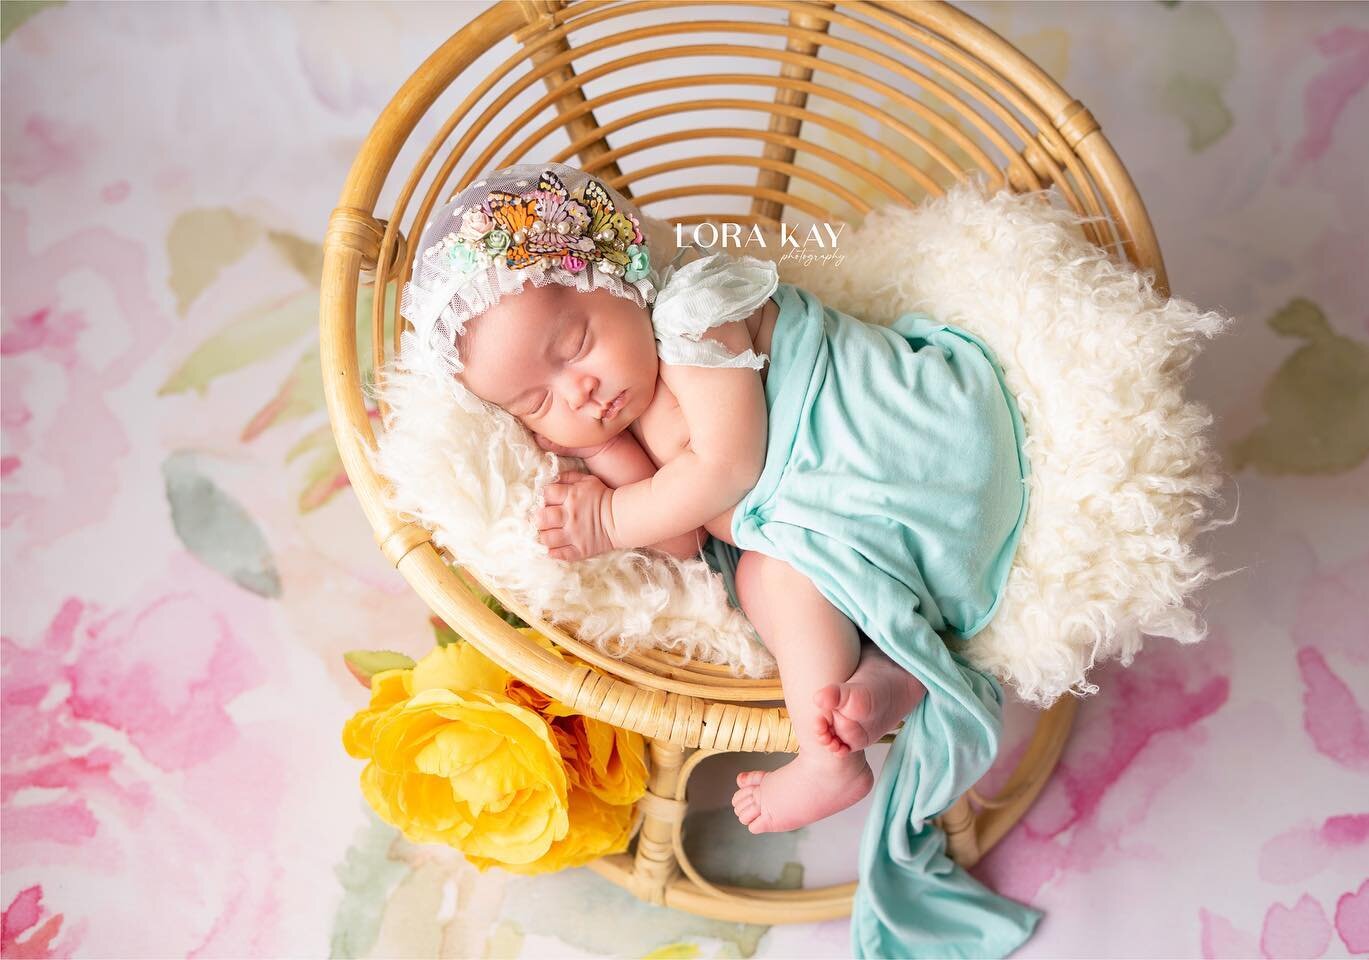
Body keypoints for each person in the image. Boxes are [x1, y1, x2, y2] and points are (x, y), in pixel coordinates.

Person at [399, 161, 1028, 839]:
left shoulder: (692, 312)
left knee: (769, 569)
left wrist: (609, 519)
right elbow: (681, 538)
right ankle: (892, 674)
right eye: (537, 402)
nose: (578, 392)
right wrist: (600, 455)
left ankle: (825, 759)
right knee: (765, 577)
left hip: (913, 451)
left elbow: (729, 467)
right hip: (878, 530)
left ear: (617, 275)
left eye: (576, 344)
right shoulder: (610, 410)